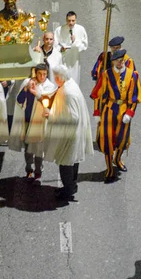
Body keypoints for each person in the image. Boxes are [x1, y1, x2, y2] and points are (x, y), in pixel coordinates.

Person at [91, 49, 141, 182]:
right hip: (109, 109)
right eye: (117, 61)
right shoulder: (106, 75)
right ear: (113, 62)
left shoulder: (133, 75)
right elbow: (98, 95)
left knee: (122, 140)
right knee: (107, 140)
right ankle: (109, 169)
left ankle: (118, 159)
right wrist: (97, 112)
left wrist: (130, 112)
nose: (120, 63)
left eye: (122, 61)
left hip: (124, 110)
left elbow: (135, 96)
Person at [43, 65, 93, 200]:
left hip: (70, 135)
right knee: (73, 160)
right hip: (74, 132)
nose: (55, 80)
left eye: (55, 77)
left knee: (65, 163)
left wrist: (51, 115)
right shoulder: (70, 85)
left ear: (60, 77)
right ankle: (72, 185)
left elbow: (73, 117)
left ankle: (67, 190)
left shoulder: (68, 93)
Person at [9, 64, 56, 179]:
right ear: (35, 73)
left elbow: (49, 103)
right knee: (28, 149)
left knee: (39, 149)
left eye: (44, 74)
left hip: (39, 122)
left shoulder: (49, 86)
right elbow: (19, 100)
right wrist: (26, 89)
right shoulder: (28, 82)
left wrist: (37, 93)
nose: (42, 76)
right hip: (27, 120)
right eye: (40, 74)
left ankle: (38, 171)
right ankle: (29, 169)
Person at [54, 11, 88, 85]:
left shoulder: (81, 29)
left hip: (74, 59)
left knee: (74, 81)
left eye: (73, 20)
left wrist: (75, 42)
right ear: (66, 20)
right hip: (64, 58)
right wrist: (60, 49)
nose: (71, 23)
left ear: (76, 20)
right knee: (63, 80)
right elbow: (55, 44)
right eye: (69, 20)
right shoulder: (59, 30)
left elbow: (84, 45)